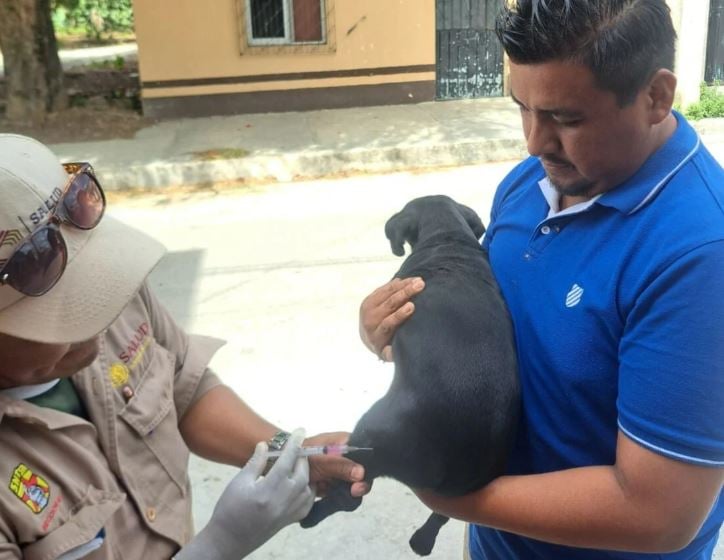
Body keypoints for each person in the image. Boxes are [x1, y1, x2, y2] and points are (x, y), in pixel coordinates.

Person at [359, 1, 724, 558]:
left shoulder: (699, 257)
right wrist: (400, 328)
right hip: (497, 544)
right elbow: (495, 337)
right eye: (522, 109)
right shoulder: (529, 184)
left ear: (656, 96)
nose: (534, 142)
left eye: (566, 118)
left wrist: (451, 498)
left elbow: (656, 514)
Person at [0, 133, 368, 559]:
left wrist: (288, 454)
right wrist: (218, 547)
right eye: (66, 308)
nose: (98, 315)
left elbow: (183, 387)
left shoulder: (110, 290)